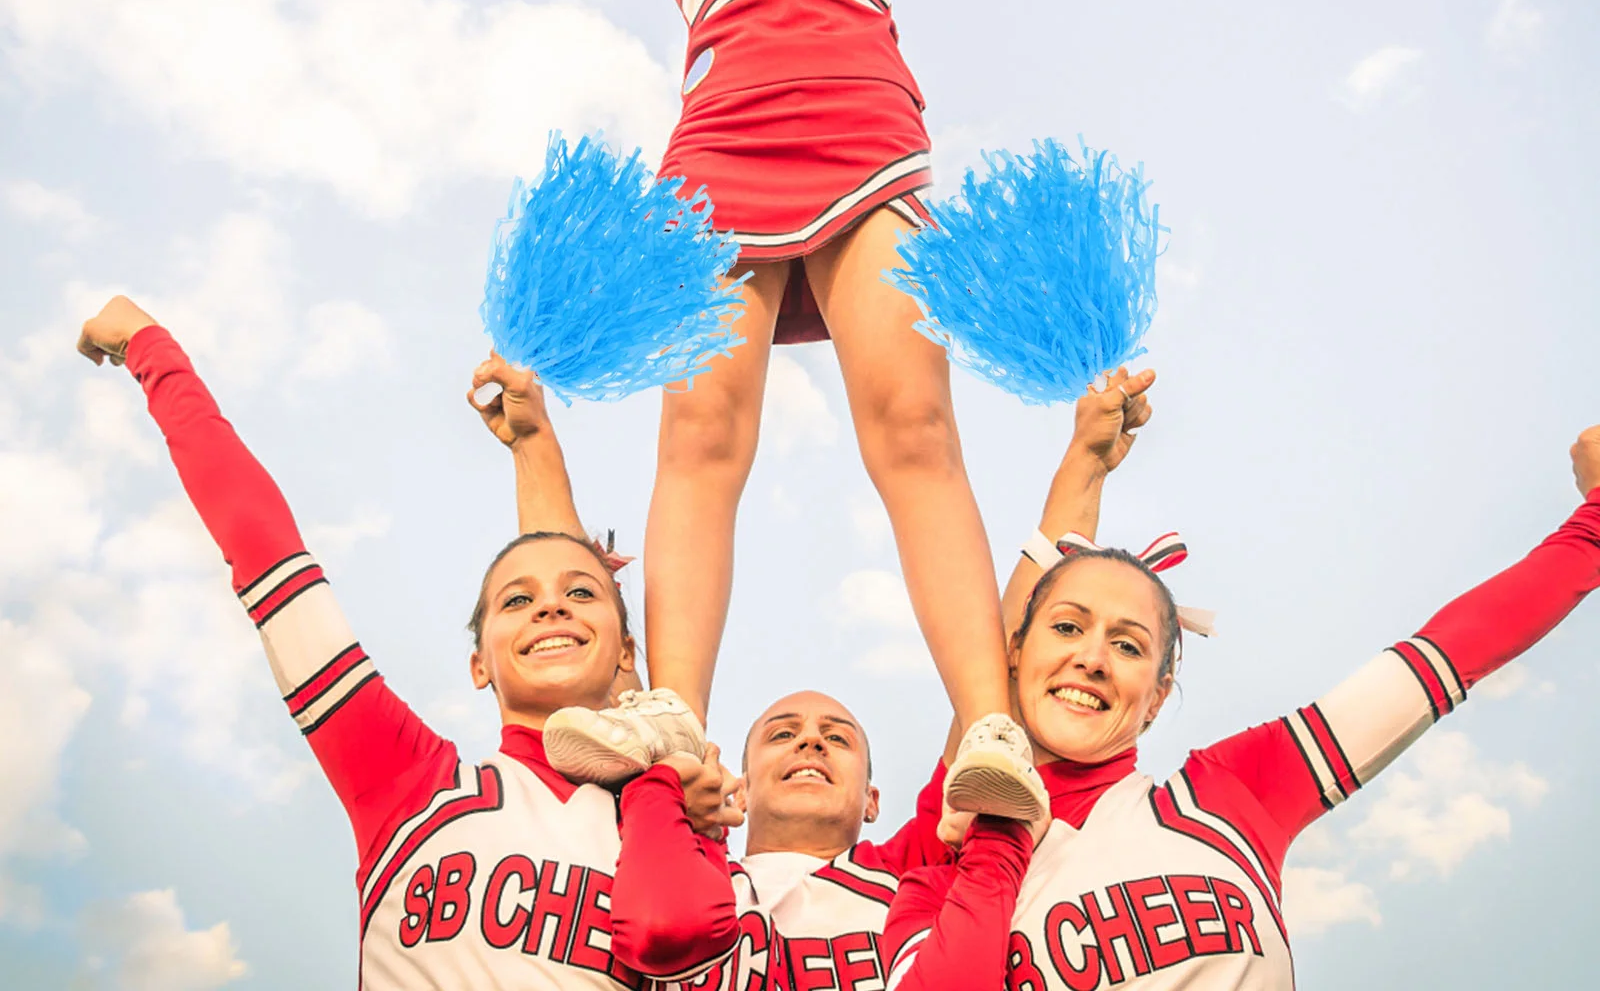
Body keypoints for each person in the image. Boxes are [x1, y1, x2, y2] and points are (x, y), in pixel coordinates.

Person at [512, 0, 1045, 823]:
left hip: (871, 155)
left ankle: (990, 727)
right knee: (700, 430)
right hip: (718, 167)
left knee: (915, 423)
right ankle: (676, 718)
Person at [77, 296, 742, 990]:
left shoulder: (671, 813)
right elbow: (262, 546)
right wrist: (151, 349)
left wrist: (669, 792)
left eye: (580, 596)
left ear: (626, 654)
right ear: (479, 664)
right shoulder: (409, 783)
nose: (550, 606)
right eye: (517, 601)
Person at [484, 354, 1154, 990]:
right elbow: (584, 648)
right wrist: (532, 443)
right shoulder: (681, 861)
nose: (810, 742)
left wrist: (1085, 466)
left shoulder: (915, 869)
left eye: (838, 736)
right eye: (783, 732)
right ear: (736, 788)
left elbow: (1001, 668)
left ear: (873, 799)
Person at [879, 418, 1600, 990]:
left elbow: (1447, 654)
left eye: (1129, 646)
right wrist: (1001, 838)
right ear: (1014, 654)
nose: (1092, 658)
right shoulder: (934, 882)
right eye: (1067, 627)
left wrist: (1595, 525)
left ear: (1158, 696)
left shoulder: (1230, 795)